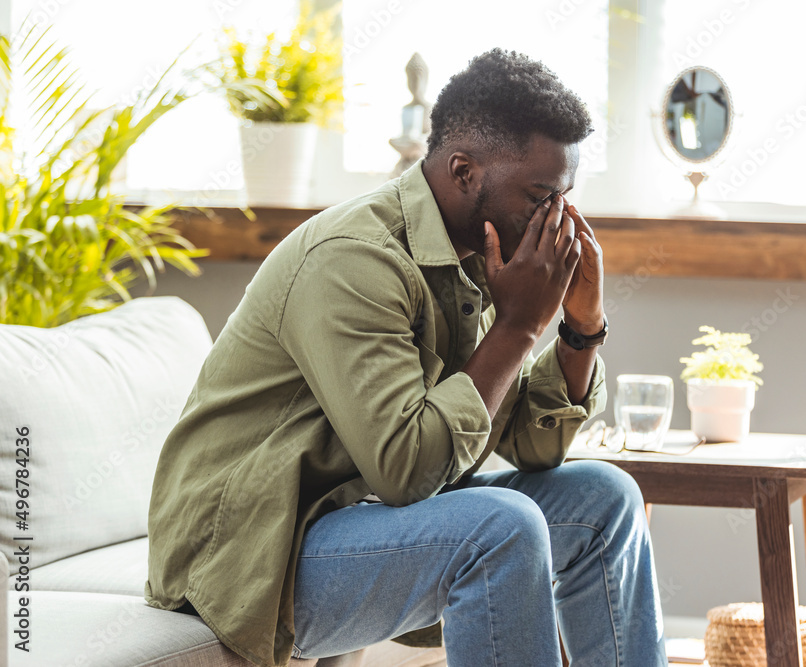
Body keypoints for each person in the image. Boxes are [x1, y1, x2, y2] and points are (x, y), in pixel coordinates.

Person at [144, 48, 668, 667]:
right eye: (539, 197)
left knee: (606, 498)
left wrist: (581, 326)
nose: (557, 220)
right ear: (464, 171)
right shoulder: (354, 260)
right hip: (251, 551)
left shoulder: (482, 256)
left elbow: (533, 446)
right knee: (501, 525)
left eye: (564, 197)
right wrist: (520, 326)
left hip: (361, 520)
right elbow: (407, 469)